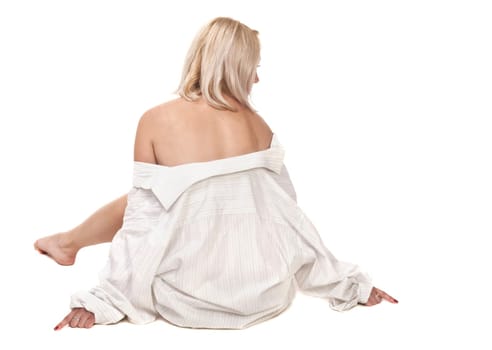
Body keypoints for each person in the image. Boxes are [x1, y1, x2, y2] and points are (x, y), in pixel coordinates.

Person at [35, 17, 398, 331]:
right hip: (266, 296)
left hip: (186, 299)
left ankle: (67, 243)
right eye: (254, 66)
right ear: (235, 67)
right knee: (185, 194)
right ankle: (66, 242)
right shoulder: (260, 127)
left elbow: (140, 224)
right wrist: (348, 284)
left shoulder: (157, 120)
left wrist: (104, 300)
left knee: (148, 200)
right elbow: (288, 221)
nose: (256, 78)